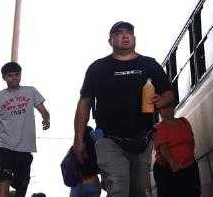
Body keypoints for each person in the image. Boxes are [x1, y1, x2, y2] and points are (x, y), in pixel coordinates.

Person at [74, 21, 174, 197]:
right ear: (110, 40)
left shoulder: (149, 64)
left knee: (138, 192)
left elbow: (169, 93)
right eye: (119, 33)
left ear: (134, 37)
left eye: (129, 32)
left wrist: (161, 100)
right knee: (118, 189)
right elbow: (84, 105)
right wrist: (79, 139)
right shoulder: (98, 68)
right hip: (108, 138)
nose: (125, 35)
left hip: (143, 138)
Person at [0, 62, 50, 197]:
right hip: (4, 146)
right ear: (4, 78)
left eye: (17, 75)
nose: (14, 78)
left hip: (25, 147)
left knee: (22, 183)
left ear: (20, 75)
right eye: (10, 76)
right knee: (4, 179)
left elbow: (44, 111)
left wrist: (46, 119)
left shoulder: (31, 91)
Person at [152, 100, 200, 197]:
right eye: (164, 107)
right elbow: (163, 148)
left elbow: (191, 140)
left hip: (188, 166)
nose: (168, 109)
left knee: (193, 193)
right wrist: (173, 162)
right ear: (160, 112)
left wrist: (188, 158)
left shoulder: (184, 121)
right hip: (168, 170)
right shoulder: (159, 127)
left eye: (170, 106)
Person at [62, 127, 102, 197]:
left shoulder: (75, 150)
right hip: (93, 182)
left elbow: (66, 163)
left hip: (77, 184)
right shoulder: (96, 149)